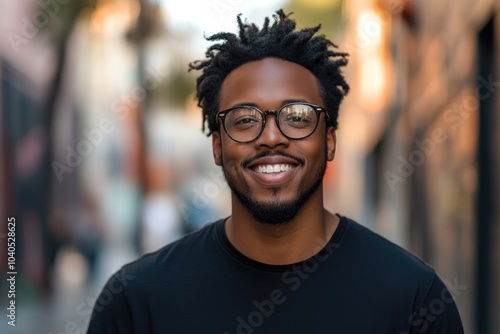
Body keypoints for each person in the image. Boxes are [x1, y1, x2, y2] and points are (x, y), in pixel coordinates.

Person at [87, 10, 464, 333]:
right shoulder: (136, 303)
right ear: (217, 145)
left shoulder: (414, 301)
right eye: (245, 119)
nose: (271, 137)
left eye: (297, 117)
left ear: (330, 140)